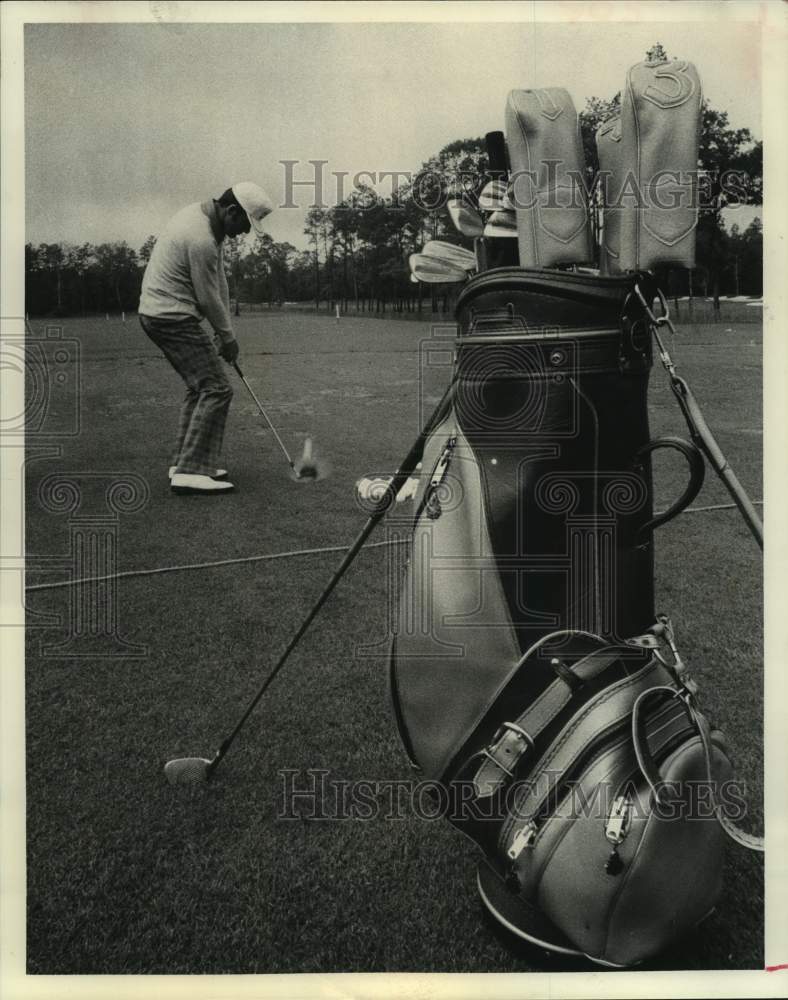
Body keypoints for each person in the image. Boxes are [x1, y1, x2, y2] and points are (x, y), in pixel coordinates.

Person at [138, 182, 273, 495]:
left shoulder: (206, 222)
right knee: (217, 388)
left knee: (200, 387)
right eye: (244, 224)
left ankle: (187, 463)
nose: (244, 233)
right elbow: (207, 295)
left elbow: (219, 283)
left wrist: (226, 332)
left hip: (160, 314)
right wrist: (228, 339)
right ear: (231, 211)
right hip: (170, 316)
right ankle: (190, 471)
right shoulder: (201, 238)